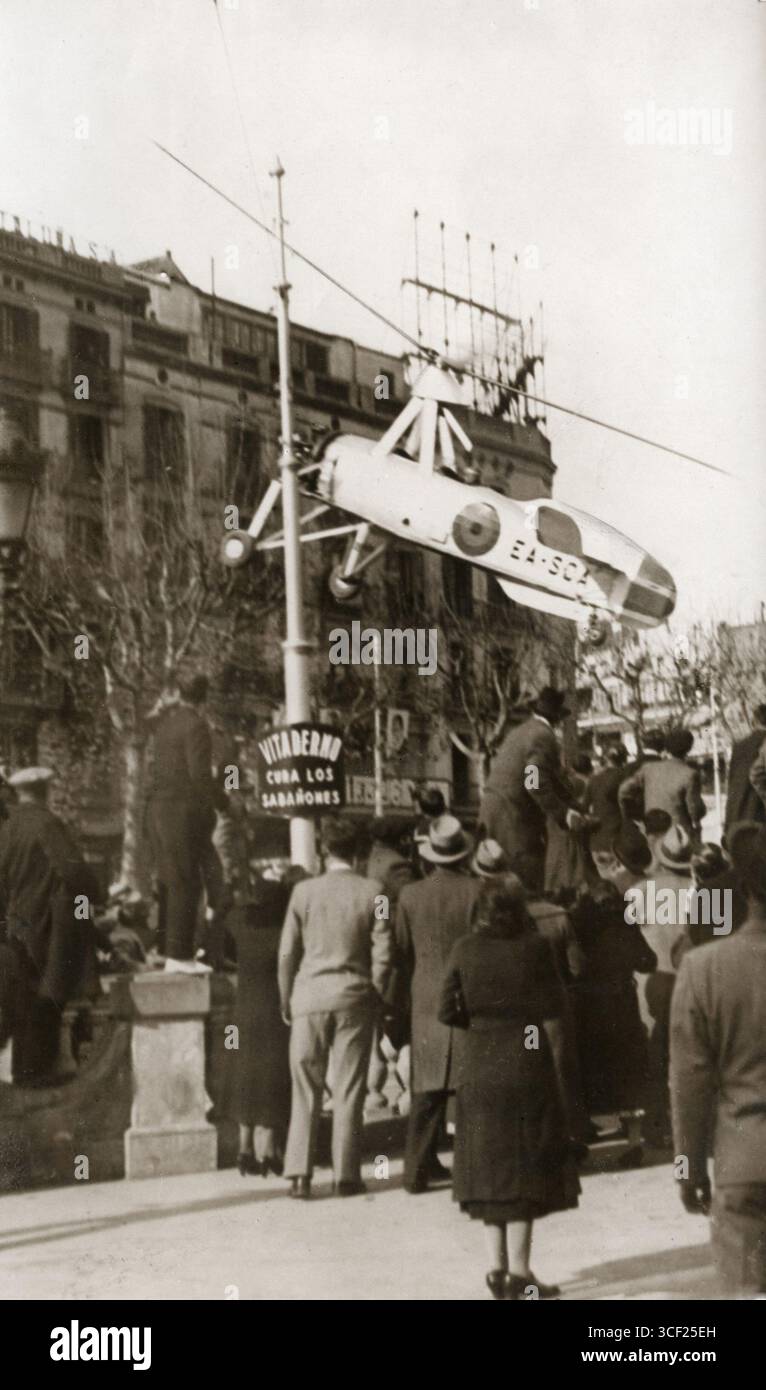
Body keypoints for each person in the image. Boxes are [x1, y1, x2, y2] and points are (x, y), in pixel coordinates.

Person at [439, 874, 580, 1300]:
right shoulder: (534, 948)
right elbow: (554, 1008)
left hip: (478, 1067)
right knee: (525, 1167)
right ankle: (521, 1274)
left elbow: (446, 1009)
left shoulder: (464, 948)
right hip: (525, 1060)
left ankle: (496, 1271)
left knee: (488, 1167)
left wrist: (482, 1027)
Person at [669, 826, 766, 1295]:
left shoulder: (702, 969)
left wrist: (688, 1169)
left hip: (742, 1162)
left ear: (744, 888)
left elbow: (689, 1082)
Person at [278, 817, 393, 1199]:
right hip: (354, 997)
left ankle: (299, 1174)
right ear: (359, 852)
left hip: (308, 997)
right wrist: (375, 994)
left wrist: (286, 999)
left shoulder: (303, 893)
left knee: (305, 1088)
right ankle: (346, 1175)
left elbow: (286, 953)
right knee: (349, 1089)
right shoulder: (375, 892)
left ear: (325, 850)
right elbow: (384, 952)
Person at [394, 814, 480, 1193]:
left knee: (425, 1088)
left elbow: (400, 948)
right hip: (466, 991)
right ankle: (469, 1170)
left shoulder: (409, 895)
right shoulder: (478, 891)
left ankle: (415, 1171)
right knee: (468, 1086)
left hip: (425, 995)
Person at [0, 767, 99, 1086]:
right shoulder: (45, 823)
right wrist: (93, 896)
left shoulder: (7, 826)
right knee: (48, 997)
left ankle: (24, 1074)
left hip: (17, 925)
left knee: (24, 998)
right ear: (44, 790)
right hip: (47, 922)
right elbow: (74, 872)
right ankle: (38, 1077)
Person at [569, 823, 657, 1157]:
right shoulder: (625, 924)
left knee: (591, 1066)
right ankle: (634, 1139)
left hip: (590, 1005)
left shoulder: (579, 924)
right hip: (622, 1002)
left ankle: (582, 1135)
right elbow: (646, 960)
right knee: (629, 1069)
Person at [146, 673, 224, 972]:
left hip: (157, 811)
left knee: (168, 879)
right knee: (186, 881)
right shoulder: (196, 725)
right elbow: (199, 776)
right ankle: (179, 957)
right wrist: (223, 802)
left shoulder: (164, 725)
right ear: (204, 698)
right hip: (182, 812)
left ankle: (166, 950)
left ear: (179, 692)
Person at [230, 869, 305, 1177]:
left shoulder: (237, 922)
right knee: (273, 1077)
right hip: (274, 1012)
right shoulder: (283, 931)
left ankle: (244, 1148)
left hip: (240, 1014)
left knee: (242, 1074)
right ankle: (270, 1150)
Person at [479, 686, 583, 892]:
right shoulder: (543, 735)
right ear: (557, 719)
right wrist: (565, 814)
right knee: (525, 880)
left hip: (492, 813)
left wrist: (573, 805)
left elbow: (547, 778)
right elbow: (535, 782)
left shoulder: (520, 730)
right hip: (513, 820)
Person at [630, 823, 694, 1145]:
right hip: (690, 981)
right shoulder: (706, 891)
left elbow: (628, 935)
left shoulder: (639, 892)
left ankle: (654, 1124)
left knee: (654, 1055)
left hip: (650, 981)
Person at [619, 728, 705, 839]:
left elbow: (624, 791)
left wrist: (631, 815)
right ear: (689, 748)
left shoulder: (648, 768)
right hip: (678, 836)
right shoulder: (690, 774)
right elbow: (695, 810)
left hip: (651, 831)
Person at [724, 703, 766, 832]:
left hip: (736, 815)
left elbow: (730, 782)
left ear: (754, 721)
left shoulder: (739, 746)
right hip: (760, 816)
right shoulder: (763, 743)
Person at [586, 743, 630, 854]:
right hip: (620, 839)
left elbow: (584, 806)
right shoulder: (626, 777)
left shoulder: (594, 779)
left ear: (605, 758)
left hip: (597, 839)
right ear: (624, 758)